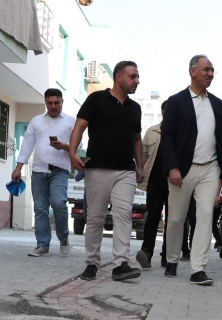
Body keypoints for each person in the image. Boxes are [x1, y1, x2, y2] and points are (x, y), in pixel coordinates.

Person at [69, 61, 144, 282]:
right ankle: (92, 263)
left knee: (123, 214)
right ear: (118, 77)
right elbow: (79, 126)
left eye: (138, 77)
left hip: (125, 171)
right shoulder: (96, 99)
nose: (137, 81)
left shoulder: (135, 108)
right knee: (95, 218)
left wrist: (140, 165)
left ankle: (121, 263)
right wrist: (72, 153)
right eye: (133, 77)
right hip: (98, 168)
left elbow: (137, 140)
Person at [161, 54, 222, 285]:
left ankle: (198, 269)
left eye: (212, 71)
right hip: (182, 170)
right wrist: (172, 167)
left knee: (205, 215)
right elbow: (168, 137)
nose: (210, 74)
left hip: (210, 168)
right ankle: (171, 259)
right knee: (176, 218)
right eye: (206, 70)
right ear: (193, 71)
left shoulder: (217, 104)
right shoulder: (176, 101)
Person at [12, 88, 76, 258]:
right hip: (39, 170)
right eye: (50, 103)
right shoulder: (36, 121)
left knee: (58, 203)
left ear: (62, 102)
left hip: (60, 170)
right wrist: (18, 167)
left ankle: (63, 238)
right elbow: (27, 144)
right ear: (46, 103)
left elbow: (78, 147)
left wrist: (64, 146)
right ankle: (42, 245)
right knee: (40, 209)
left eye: (57, 102)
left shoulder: (71, 122)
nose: (53, 106)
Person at [136, 101, 169, 269]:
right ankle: (146, 252)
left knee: (173, 220)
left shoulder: (181, 132)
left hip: (175, 183)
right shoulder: (152, 131)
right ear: (162, 112)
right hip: (154, 181)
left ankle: (167, 257)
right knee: (153, 216)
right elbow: (143, 155)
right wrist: (139, 170)